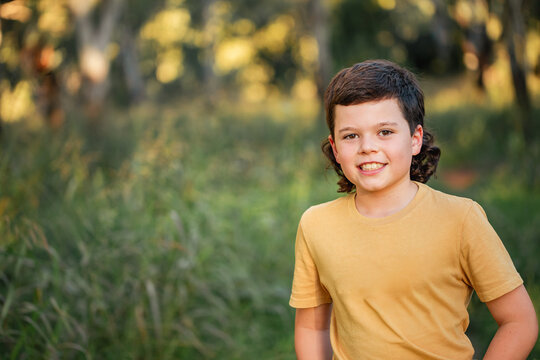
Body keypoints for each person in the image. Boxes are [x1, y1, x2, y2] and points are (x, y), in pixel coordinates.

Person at [289, 59, 538, 359]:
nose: (367, 146)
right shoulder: (317, 225)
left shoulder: (460, 219)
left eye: (385, 132)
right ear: (336, 148)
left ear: (415, 138)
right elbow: (312, 328)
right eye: (351, 135)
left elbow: (519, 321)